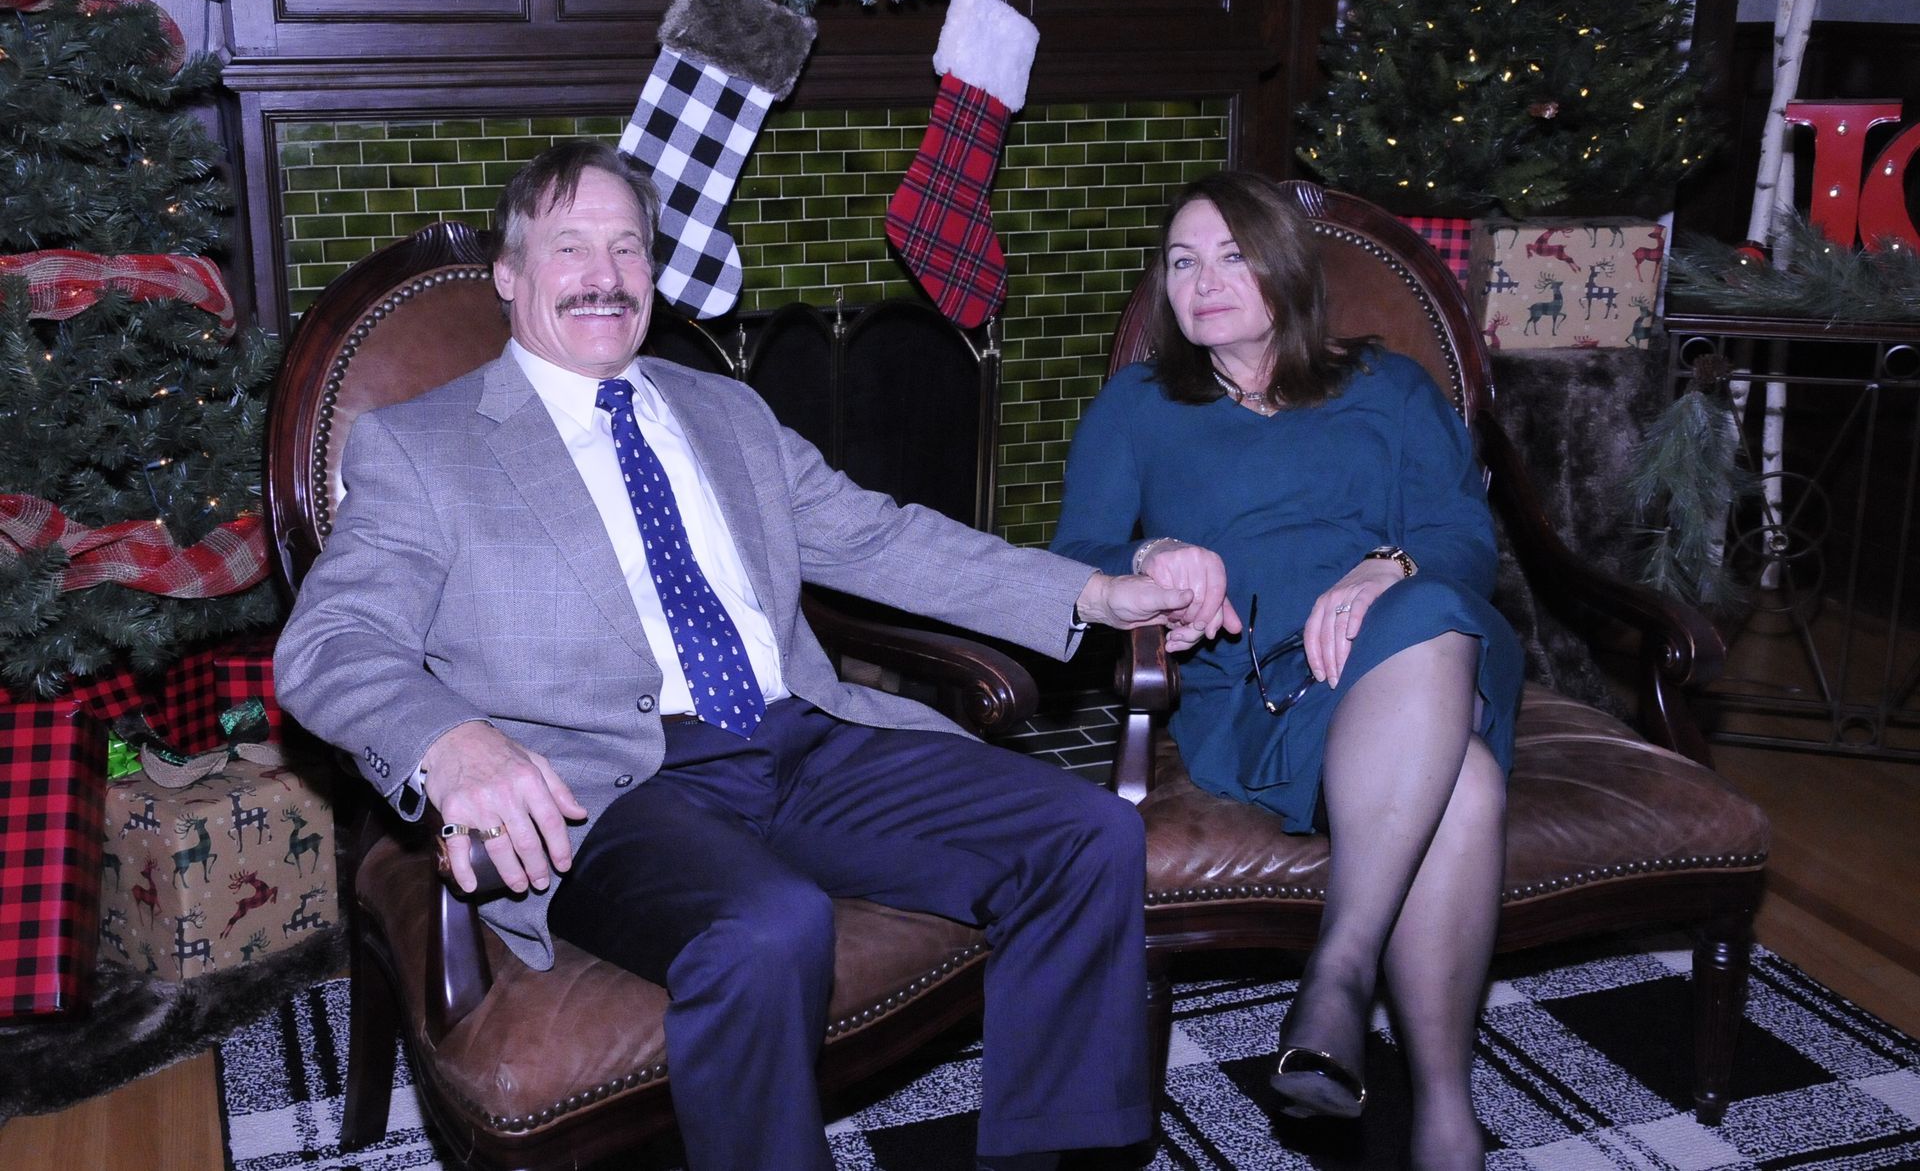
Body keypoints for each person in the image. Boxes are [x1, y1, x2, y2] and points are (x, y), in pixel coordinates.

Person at [275, 140, 1208, 1171]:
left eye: (627, 248)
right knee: (770, 929)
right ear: (508, 275)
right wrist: (450, 743)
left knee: (1088, 838)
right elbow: (331, 642)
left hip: (799, 736)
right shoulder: (422, 446)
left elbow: (879, 536)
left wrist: (1088, 591)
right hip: (611, 788)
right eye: (570, 247)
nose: (605, 274)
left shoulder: (725, 409)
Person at [1051, 171, 1522, 1170]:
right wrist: (1148, 558)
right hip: (1259, 695)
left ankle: (1338, 975)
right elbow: (1071, 558)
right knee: (1465, 784)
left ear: (1285, 271)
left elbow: (1461, 543)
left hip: (1420, 662)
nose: (1204, 279)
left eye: (1230, 255)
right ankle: (1443, 1109)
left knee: (1435, 607)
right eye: (1183, 261)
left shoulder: (1388, 388)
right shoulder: (1139, 407)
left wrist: (1382, 570)